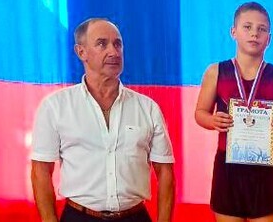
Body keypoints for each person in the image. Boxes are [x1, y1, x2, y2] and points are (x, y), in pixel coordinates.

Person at [30, 17, 175, 222]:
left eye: (118, 44)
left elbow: (166, 172)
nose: (114, 52)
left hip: (134, 216)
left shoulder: (147, 108)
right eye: (102, 44)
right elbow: (41, 171)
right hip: (79, 216)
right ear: (81, 52)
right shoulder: (55, 106)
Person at [194, 2, 273, 222]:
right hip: (228, 168)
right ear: (233, 32)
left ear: (269, 38)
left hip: (266, 168)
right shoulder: (216, 72)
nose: (254, 33)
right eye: (247, 27)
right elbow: (200, 113)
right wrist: (213, 120)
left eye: (262, 29)